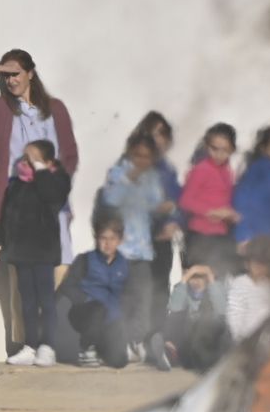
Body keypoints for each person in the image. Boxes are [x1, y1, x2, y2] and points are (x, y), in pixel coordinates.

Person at [0, 50, 80, 255]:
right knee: (19, 275)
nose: (10, 81)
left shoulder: (55, 109)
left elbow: (70, 155)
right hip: (15, 208)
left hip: (50, 207)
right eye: (6, 76)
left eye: (16, 74)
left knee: (57, 271)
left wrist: (59, 188)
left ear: (30, 73)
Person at [0, 139, 68, 366]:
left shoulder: (56, 180)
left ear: (48, 162)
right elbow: (7, 218)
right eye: (25, 157)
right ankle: (30, 346)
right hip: (21, 253)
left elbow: (53, 198)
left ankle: (47, 346)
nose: (25, 162)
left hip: (43, 252)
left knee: (46, 300)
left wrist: (40, 170)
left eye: (32, 158)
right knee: (27, 302)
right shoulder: (16, 186)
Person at [94, 133, 173, 369]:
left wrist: (166, 211)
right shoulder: (118, 173)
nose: (142, 161)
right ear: (130, 152)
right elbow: (111, 199)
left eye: (147, 157)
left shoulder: (151, 178)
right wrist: (130, 177)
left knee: (144, 299)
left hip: (143, 252)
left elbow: (154, 204)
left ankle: (138, 340)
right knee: (123, 301)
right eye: (138, 155)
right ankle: (123, 343)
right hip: (122, 251)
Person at [109, 112, 182, 334]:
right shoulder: (127, 165)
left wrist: (174, 220)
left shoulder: (167, 169)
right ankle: (129, 336)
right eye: (154, 132)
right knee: (132, 289)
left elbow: (177, 199)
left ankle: (155, 336)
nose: (158, 138)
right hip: (135, 238)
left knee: (160, 286)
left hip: (161, 236)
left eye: (163, 134)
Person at [63, 216, 130, 369]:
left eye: (112, 238)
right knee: (99, 308)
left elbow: (130, 295)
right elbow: (68, 286)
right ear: (96, 238)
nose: (107, 243)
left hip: (111, 319)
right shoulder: (85, 260)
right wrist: (85, 299)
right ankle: (87, 348)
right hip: (86, 312)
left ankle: (102, 349)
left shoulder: (124, 264)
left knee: (119, 362)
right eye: (103, 238)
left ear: (119, 240)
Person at [177, 123, 239, 277]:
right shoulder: (201, 169)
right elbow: (185, 200)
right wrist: (211, 212)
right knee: (198, 283)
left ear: (232, 150)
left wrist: (231, 214)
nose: (218, 154)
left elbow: (226, 199)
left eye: (224, 150)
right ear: (206, 146)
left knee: (217, 283)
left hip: (220, 236)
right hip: (200, 236)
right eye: (214, 148)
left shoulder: (228, 172)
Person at [163, 264, 231, 372]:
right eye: (192, 277)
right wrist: (185, 279)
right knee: (176, 315)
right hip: (189, 335)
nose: (195, 281)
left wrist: (210, 277)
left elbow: (222, 310)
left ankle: (177, 355)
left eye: (199, 277)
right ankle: (168, 349)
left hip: (209, 337)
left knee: (213, 319)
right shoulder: (182, 287)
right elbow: (174, 308)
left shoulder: (217, 287)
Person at [227, 236, 270, 342]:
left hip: (267, 338)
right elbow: (234, 319)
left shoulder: (269, 285)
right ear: (247, 264)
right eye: (256, 264)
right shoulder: (239, 285)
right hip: (247, 341)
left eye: (264, 265)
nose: (260, 268)